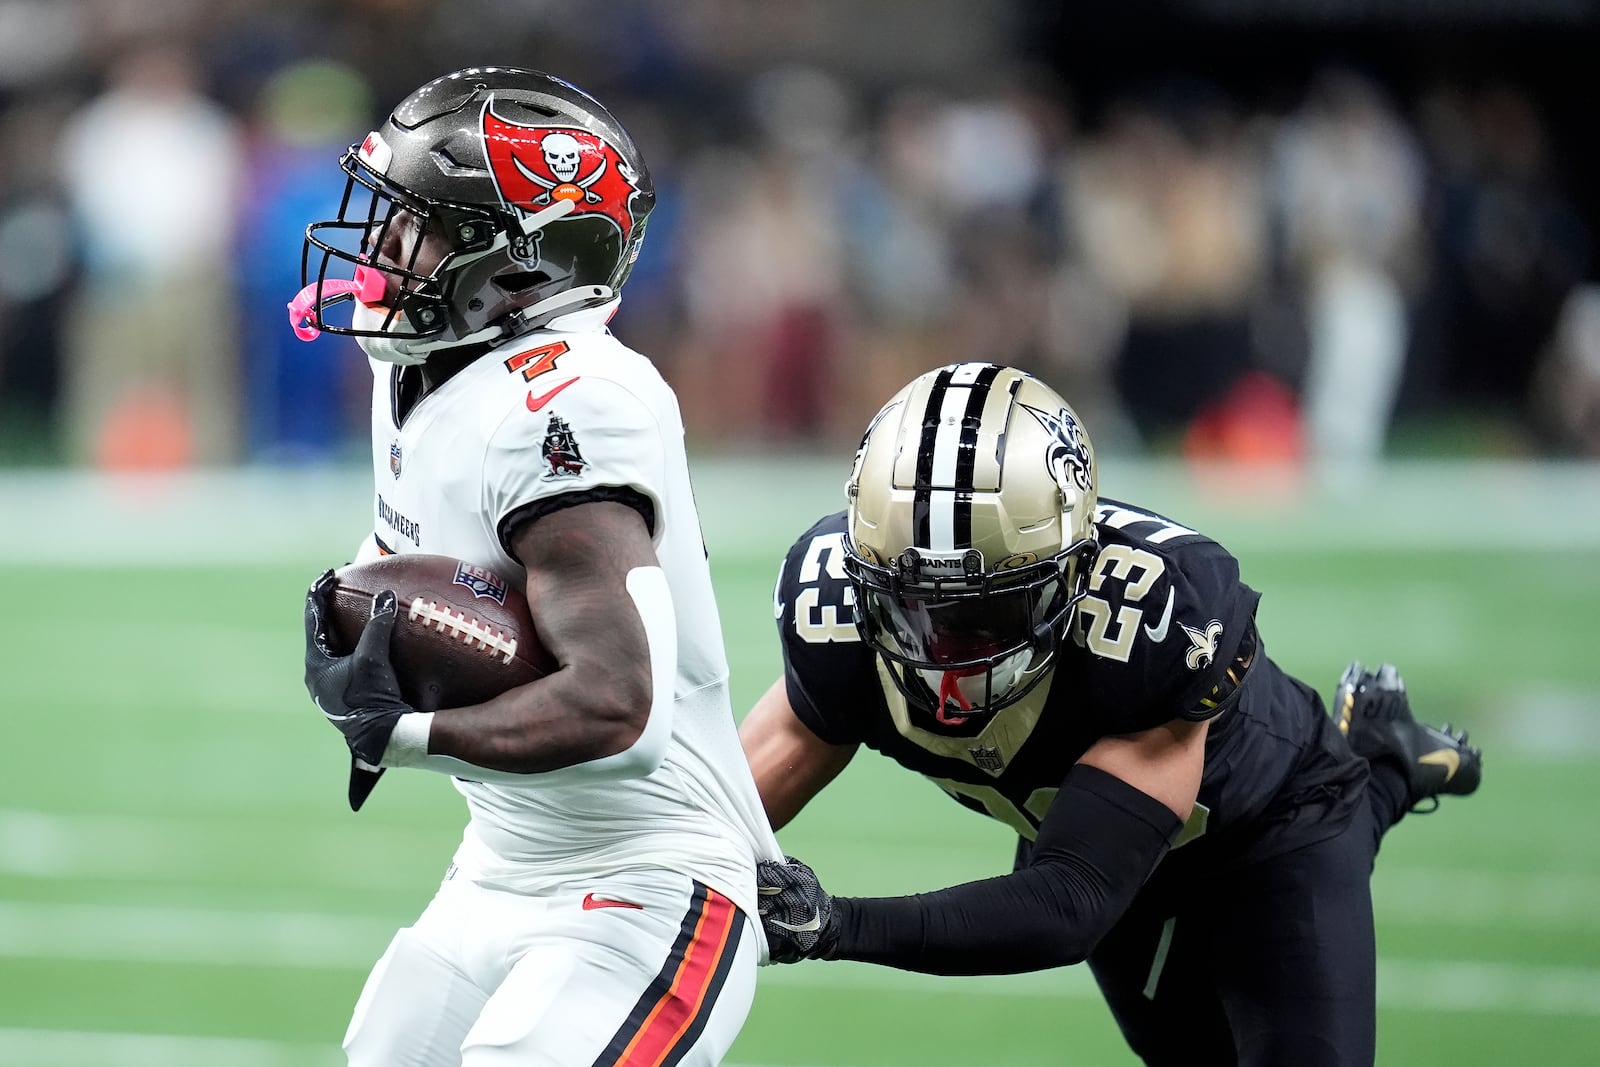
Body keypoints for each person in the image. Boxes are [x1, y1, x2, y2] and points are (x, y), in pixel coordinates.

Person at [740, 361, 1482, 1066]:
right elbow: (709, 818)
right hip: (1092, 832)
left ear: (1076, 568)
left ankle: (1373, 772)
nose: (944, 654)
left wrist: (838, 923)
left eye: (987, 612)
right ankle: (1383, 759)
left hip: (1269, 822)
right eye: (912, 609)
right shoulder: (836, 626)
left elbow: (1070, 897)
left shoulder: (1162, 619)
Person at [294, 66, 780, 1066]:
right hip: (497, 866)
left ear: (520, 266)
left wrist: (404, 730)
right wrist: (354, 622)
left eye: (414, 222)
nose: (379, 244)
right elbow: (404, 562)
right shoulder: (425, 362)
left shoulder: (567, 403)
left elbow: (619, 709)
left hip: (647, 883)